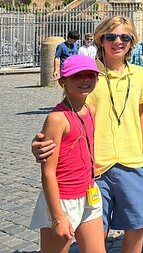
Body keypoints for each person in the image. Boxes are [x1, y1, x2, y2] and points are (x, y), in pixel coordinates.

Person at [33, 16, 143, 253]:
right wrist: (40, 142)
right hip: (95, 165)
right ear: (101, 39)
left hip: (131, 160)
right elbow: (69, 112)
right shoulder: (88, 72)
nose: (117, 42)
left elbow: (142, 113)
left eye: (124, 37)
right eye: (111, 36)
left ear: (132, 42)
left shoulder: (139, 74)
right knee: (97, 231)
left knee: (137, 227)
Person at [30, 55, 105, 253]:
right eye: (77, 76)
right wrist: (58, 217)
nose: (85, 80)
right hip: (63, 199)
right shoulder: (56, 118)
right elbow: (48, 172)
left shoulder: (90, 109)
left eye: (91, 75)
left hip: (89, 193)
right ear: (63, 81)